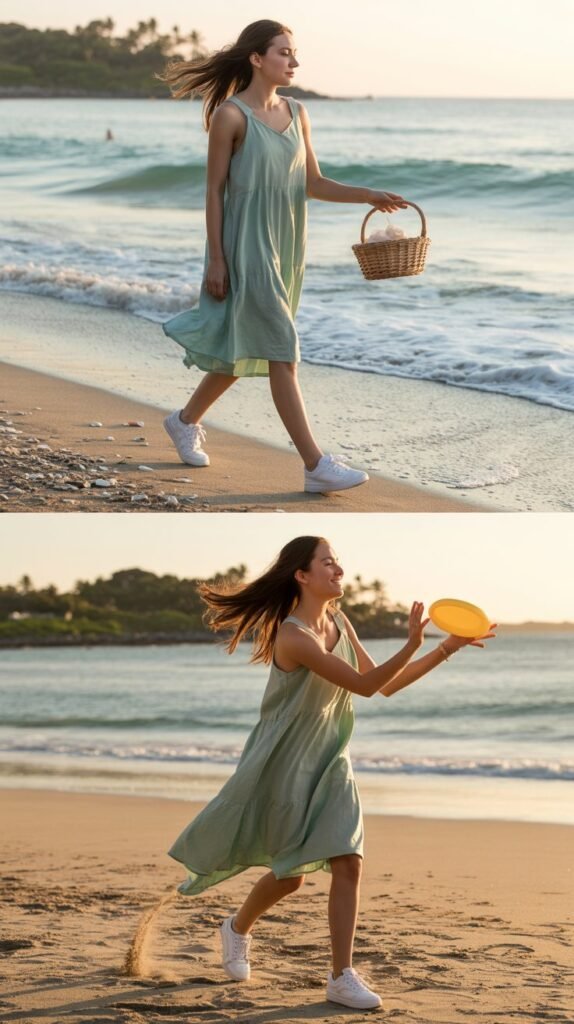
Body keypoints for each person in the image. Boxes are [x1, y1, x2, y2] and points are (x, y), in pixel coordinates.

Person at [167, 535, 497, 1010]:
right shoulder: (292, 635)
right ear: (302, 575)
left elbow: (386, 686)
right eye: (328, 563)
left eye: (338, 562)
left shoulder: (339, 620)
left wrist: (447, 647)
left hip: (331, 756)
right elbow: (365, 686)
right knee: (291, 874)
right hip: (283, 760)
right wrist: (410, 642)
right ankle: (236, 927)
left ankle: (341, 976)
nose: (338, 570)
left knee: (348, 860)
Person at [156, 20, 408, 493]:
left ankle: (184, 420)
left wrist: (368, 194)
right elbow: (212, 192)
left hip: (287, 248)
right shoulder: (230, 117)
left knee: (248, 345)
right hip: (245, 247)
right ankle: (315, 464)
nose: (293, 62)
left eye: (294, 54)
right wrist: (217, 259)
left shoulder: (297, 111)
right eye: (284, 53)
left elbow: (314, 183)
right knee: (281, 352)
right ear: (257, 58)